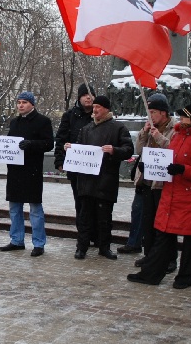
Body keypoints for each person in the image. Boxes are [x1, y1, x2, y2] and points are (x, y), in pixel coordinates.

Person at [127, 104, 191, 289]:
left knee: (190, 241)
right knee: (163, 236)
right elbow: (167, 161)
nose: (180, 119)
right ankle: (151, 274)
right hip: (171, 194)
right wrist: (151, 170)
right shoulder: (178, 136)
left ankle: (185, 277)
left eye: (184, 117)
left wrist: (183, 170)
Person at [67, 95, 133, 260]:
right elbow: (80, 150)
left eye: (98, 107)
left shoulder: (118, 128)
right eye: (94, 107)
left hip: (106, 181)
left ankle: (104, 247)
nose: (94, 110)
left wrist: (114, 151)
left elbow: (128, 149)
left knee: (104, 218)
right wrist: (71, 148)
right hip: (86, 181)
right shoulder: (86, 129)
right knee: (84, 217)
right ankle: (81, 247)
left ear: (107, 109)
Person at [1, 91, 54, 257]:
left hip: (32, 171)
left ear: (32, 104)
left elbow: (49, 143)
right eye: (19, 102)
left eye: (24, 102)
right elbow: (9, 143)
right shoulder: (15, 122)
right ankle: (16, 240)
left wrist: (31, 144)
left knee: (35, 210)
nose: (20, 105)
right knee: (15, 208)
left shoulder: (43, 121)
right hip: (15, 171)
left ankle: (39, 243)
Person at [132, 93, 178, 274]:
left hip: (164, 183)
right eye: (148, 112)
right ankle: (150, 255)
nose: (150, 116)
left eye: (153, 112)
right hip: (147, 181)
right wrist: (144, 133)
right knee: (147, 222)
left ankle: (170, 258)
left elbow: (175, 151)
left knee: (166, 224)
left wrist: (159, 136)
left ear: (164, 113)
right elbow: (139, 150)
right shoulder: (149, 128)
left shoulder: (175, 129)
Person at [54, 83, 95, 238]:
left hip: (94, 167)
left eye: (91, 94)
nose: (88, 97)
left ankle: (95, 234)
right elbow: (61, 138)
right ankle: (83, 234)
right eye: (85, 95)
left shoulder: (99, 116)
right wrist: (59, 160)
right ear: (79, 98)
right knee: (80, 201)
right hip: (76, 167)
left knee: (94, 202)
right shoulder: (70, 115)